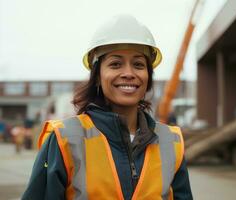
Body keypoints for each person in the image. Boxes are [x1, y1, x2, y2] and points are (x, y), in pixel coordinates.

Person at [22, 14, 193, 200]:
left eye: (138, 64)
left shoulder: (171, 142)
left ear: (148, 76)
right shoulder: (65, 139)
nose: (128, 73)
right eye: (115, 64)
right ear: (97, 75)